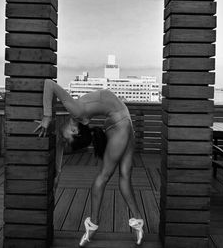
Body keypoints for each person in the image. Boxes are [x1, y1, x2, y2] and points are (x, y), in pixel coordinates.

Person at [34, 79, 144, 246]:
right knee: (124, 177)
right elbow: (60, 146)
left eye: (66, 138)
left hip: (120, 125)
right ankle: (137, 222)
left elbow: (49, 83)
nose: (64, 138)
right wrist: (57, 174)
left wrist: (47, 116)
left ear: (74, 130)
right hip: (126, 121)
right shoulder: (79, 117)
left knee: (103, 177)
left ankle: (92, 224)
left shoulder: (76, 111)